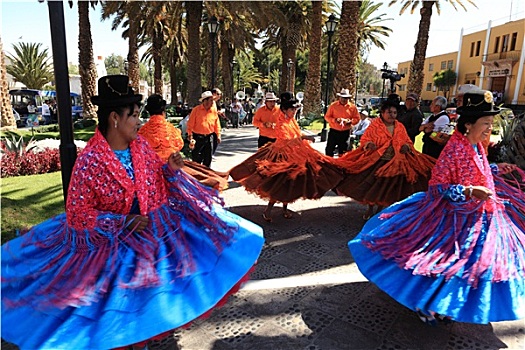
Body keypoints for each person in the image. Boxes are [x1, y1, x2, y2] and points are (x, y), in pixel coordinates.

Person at [1, 75, 264, 349]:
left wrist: (171, 171)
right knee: (111, 316)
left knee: (145, 310)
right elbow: (79, 214)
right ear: (115, 118)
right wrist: (121, 222)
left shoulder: (140, 147)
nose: (139, 121)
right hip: (112, 251)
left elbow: (157, 179)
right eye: (134, 115)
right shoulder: (89, 161)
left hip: (151, 239)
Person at [347, 89, 525, 325]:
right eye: (485, 123)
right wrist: (469, 192)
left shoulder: (476, 146)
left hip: (479, 218)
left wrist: (495, 168)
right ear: (468, 125)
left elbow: (476, 173)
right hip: (452, 220)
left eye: (491, 122)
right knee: (442, 265)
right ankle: (429, 305)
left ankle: (448, 305)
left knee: (469, 266)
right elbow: (437, 187)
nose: (489, 128)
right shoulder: (454, 149)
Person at [229, 93, 343, 222]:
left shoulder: (291, 120)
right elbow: (286, 140)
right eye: (292, 109)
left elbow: (296, 133)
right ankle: (268, 210)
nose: (294, 112)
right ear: (284, 110)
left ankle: (284, 208)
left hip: (294, 154)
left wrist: (304, 137)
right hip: (280, 156)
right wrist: (303, 138)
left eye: (295, 109)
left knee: (292, 183)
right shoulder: (280, 122)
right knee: (279, 184)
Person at [334, 100, 435, 220]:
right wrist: (369, 144)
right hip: (377, 161)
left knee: (388, 190)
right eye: (389, 112)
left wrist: (406, 147)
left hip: (395, 162)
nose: (392, 115)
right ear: (382, 113)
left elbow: (407, 141)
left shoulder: (400, 126)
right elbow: (365, 139)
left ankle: (380, 211)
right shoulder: (375, 125)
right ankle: (370, 209)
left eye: (394, 112)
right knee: (373, 188)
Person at [138, 94, 229, 191]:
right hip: (172, 168)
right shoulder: (171, 128)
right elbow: (179, 144)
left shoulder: (142, 131)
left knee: (207, 158)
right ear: (163, 112)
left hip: (151, 172)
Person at [186, 91, 221, 167]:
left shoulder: (213, 111)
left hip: (209, 137)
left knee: (208, 159)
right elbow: (190, 124)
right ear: (205, 101)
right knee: (196, 160)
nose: (212, 102)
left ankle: (206, 176)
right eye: (211, 100)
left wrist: (218, 135)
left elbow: (217, 123)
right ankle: (197, 176)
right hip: (197, 138)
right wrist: (190, 135)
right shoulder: (196, 110)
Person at [324, 88, 360, 157]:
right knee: (329, 149)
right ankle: (328, 164)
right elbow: (327, 117)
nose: (344, 100)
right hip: (334, 131)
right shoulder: (333, 106)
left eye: (346, 98)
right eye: (342, 98)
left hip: (345, 132)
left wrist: (350, 121)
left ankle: (341, 165)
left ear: (348, 98)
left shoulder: (352, 107)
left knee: (344, 150)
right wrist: (335, 120)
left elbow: (357, 118)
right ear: (339, 97)